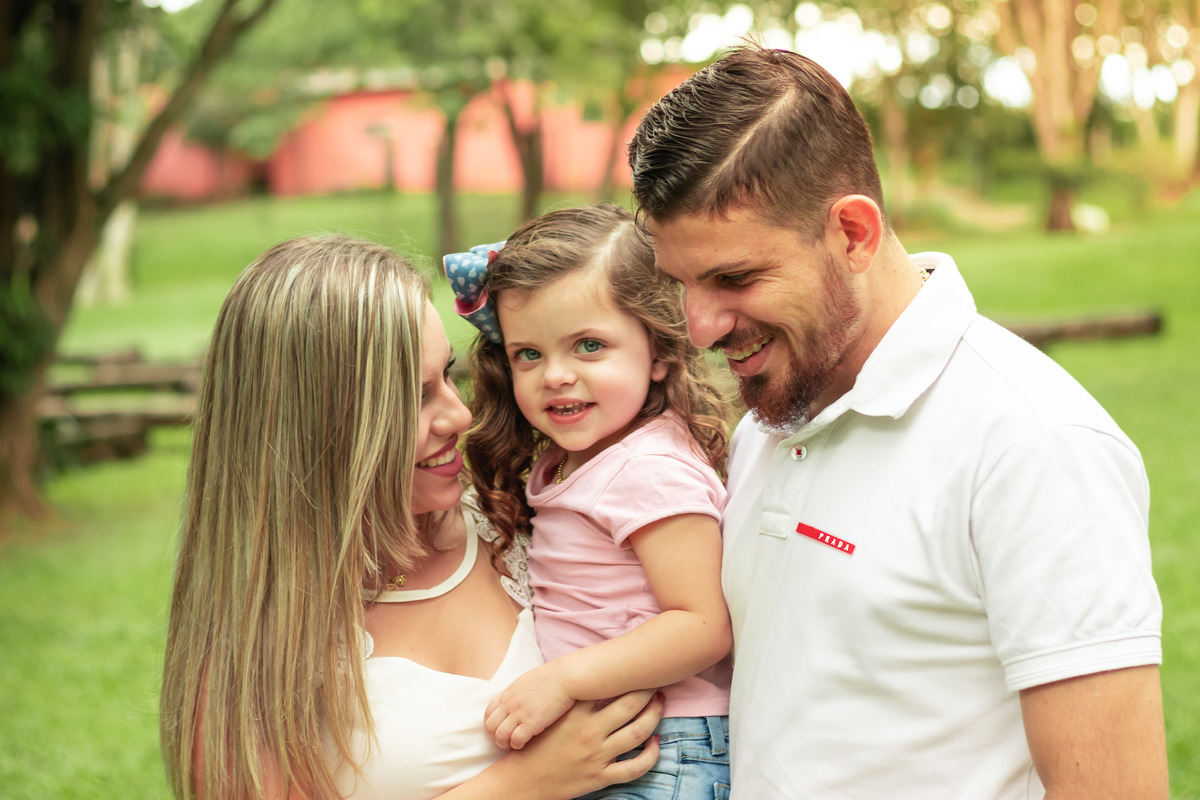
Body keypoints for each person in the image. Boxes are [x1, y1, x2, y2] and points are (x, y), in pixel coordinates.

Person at [628, 45, 1167, 799]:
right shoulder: (773, 415)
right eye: (679, 282)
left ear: (853, 233)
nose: (700, 326)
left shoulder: (1035, 444)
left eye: (735, 279)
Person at [159, 235, 665, 800]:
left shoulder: (521, 516)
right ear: (316, 430)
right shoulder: (258, 647)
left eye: (449, 374)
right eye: (415, 396)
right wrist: (520, 786)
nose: (459, 413)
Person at [452, 204, 734, 799]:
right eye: (529, 353)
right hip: (619, 739)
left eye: (588, 346)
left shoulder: (649, 467)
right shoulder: (579, 455)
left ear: (658, 352)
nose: (555, 375)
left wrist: (563, 680)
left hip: (665, 747)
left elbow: (704, 625)